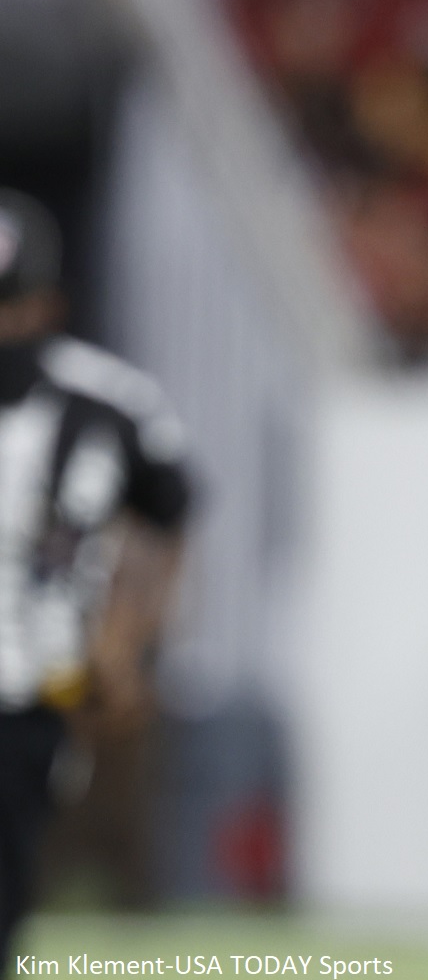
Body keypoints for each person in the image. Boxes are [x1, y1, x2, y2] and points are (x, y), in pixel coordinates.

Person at [0, 187, 192, 974]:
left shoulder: (106, 401)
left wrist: (127, 639)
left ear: (46, 305)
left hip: (33, 689)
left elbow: (170, 516)